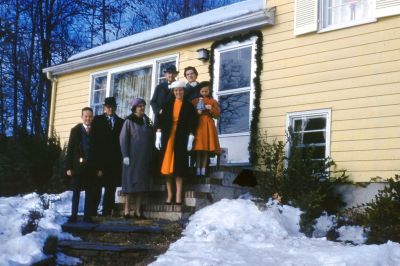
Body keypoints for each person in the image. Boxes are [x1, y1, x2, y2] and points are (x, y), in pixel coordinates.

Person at [155, 80, 198, 205]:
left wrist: (191, 138)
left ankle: (178, 195)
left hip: (181, 138)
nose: (178, 92)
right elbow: (160, 120)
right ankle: (170, 195)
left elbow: (193, 123)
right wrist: (158, 134)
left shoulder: (189, 106)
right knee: (167, 168)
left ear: (183, 91)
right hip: (168, 137)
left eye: (180, 90)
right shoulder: (167, 105)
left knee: (178, 167)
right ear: (173, 92)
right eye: (176, 90)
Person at [120, 98, 154, 218]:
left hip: (143, 158)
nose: (142, 108)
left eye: (143, 106)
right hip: (131, 158)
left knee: (141, 186)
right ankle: (126, 210)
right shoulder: (129, 121)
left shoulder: (147, 121)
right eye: (139, 106)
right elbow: (123, 139)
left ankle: (138, 211)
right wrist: (125, 155)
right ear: (134, 108)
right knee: (130, 185)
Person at [91, 97, 124, 216]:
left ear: (115, 107)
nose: (110, 109)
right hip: (100, 159)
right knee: (97, 186)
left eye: (112, 106)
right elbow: (93, 141)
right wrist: (95, 161)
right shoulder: (97, 120)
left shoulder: (121, 122)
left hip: (114, 160)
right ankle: (93, 211)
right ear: (104, 108)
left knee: (111, 187)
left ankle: (106, 211)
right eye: (108, 106)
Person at [65, 107, 95, 223]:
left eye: (90, 116)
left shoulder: (96, 131)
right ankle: (73, 215)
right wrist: (69, 167)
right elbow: (70, 150)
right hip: (77, 167)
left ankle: (87, 216)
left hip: (90, 167)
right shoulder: (75, 130)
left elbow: (100, 150)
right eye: (86, 116)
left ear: (92, 117)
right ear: (82, 117)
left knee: (90, 193)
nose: (88, 118)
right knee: (76, 192)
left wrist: (98, 167)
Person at [191, 81, 221, 177]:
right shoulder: (195, 101)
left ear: (209, 91)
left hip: (208, 125)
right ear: (200, 91)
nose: (204, 93)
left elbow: (217, 115)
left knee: (206, 149)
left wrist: (210, 108)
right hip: (198, 125)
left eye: (206, 91)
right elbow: (190, 113)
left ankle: (203, 169)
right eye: (202, 91)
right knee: (198, 148)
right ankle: (197, 168)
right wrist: (196, 112)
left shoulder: (213, 101)